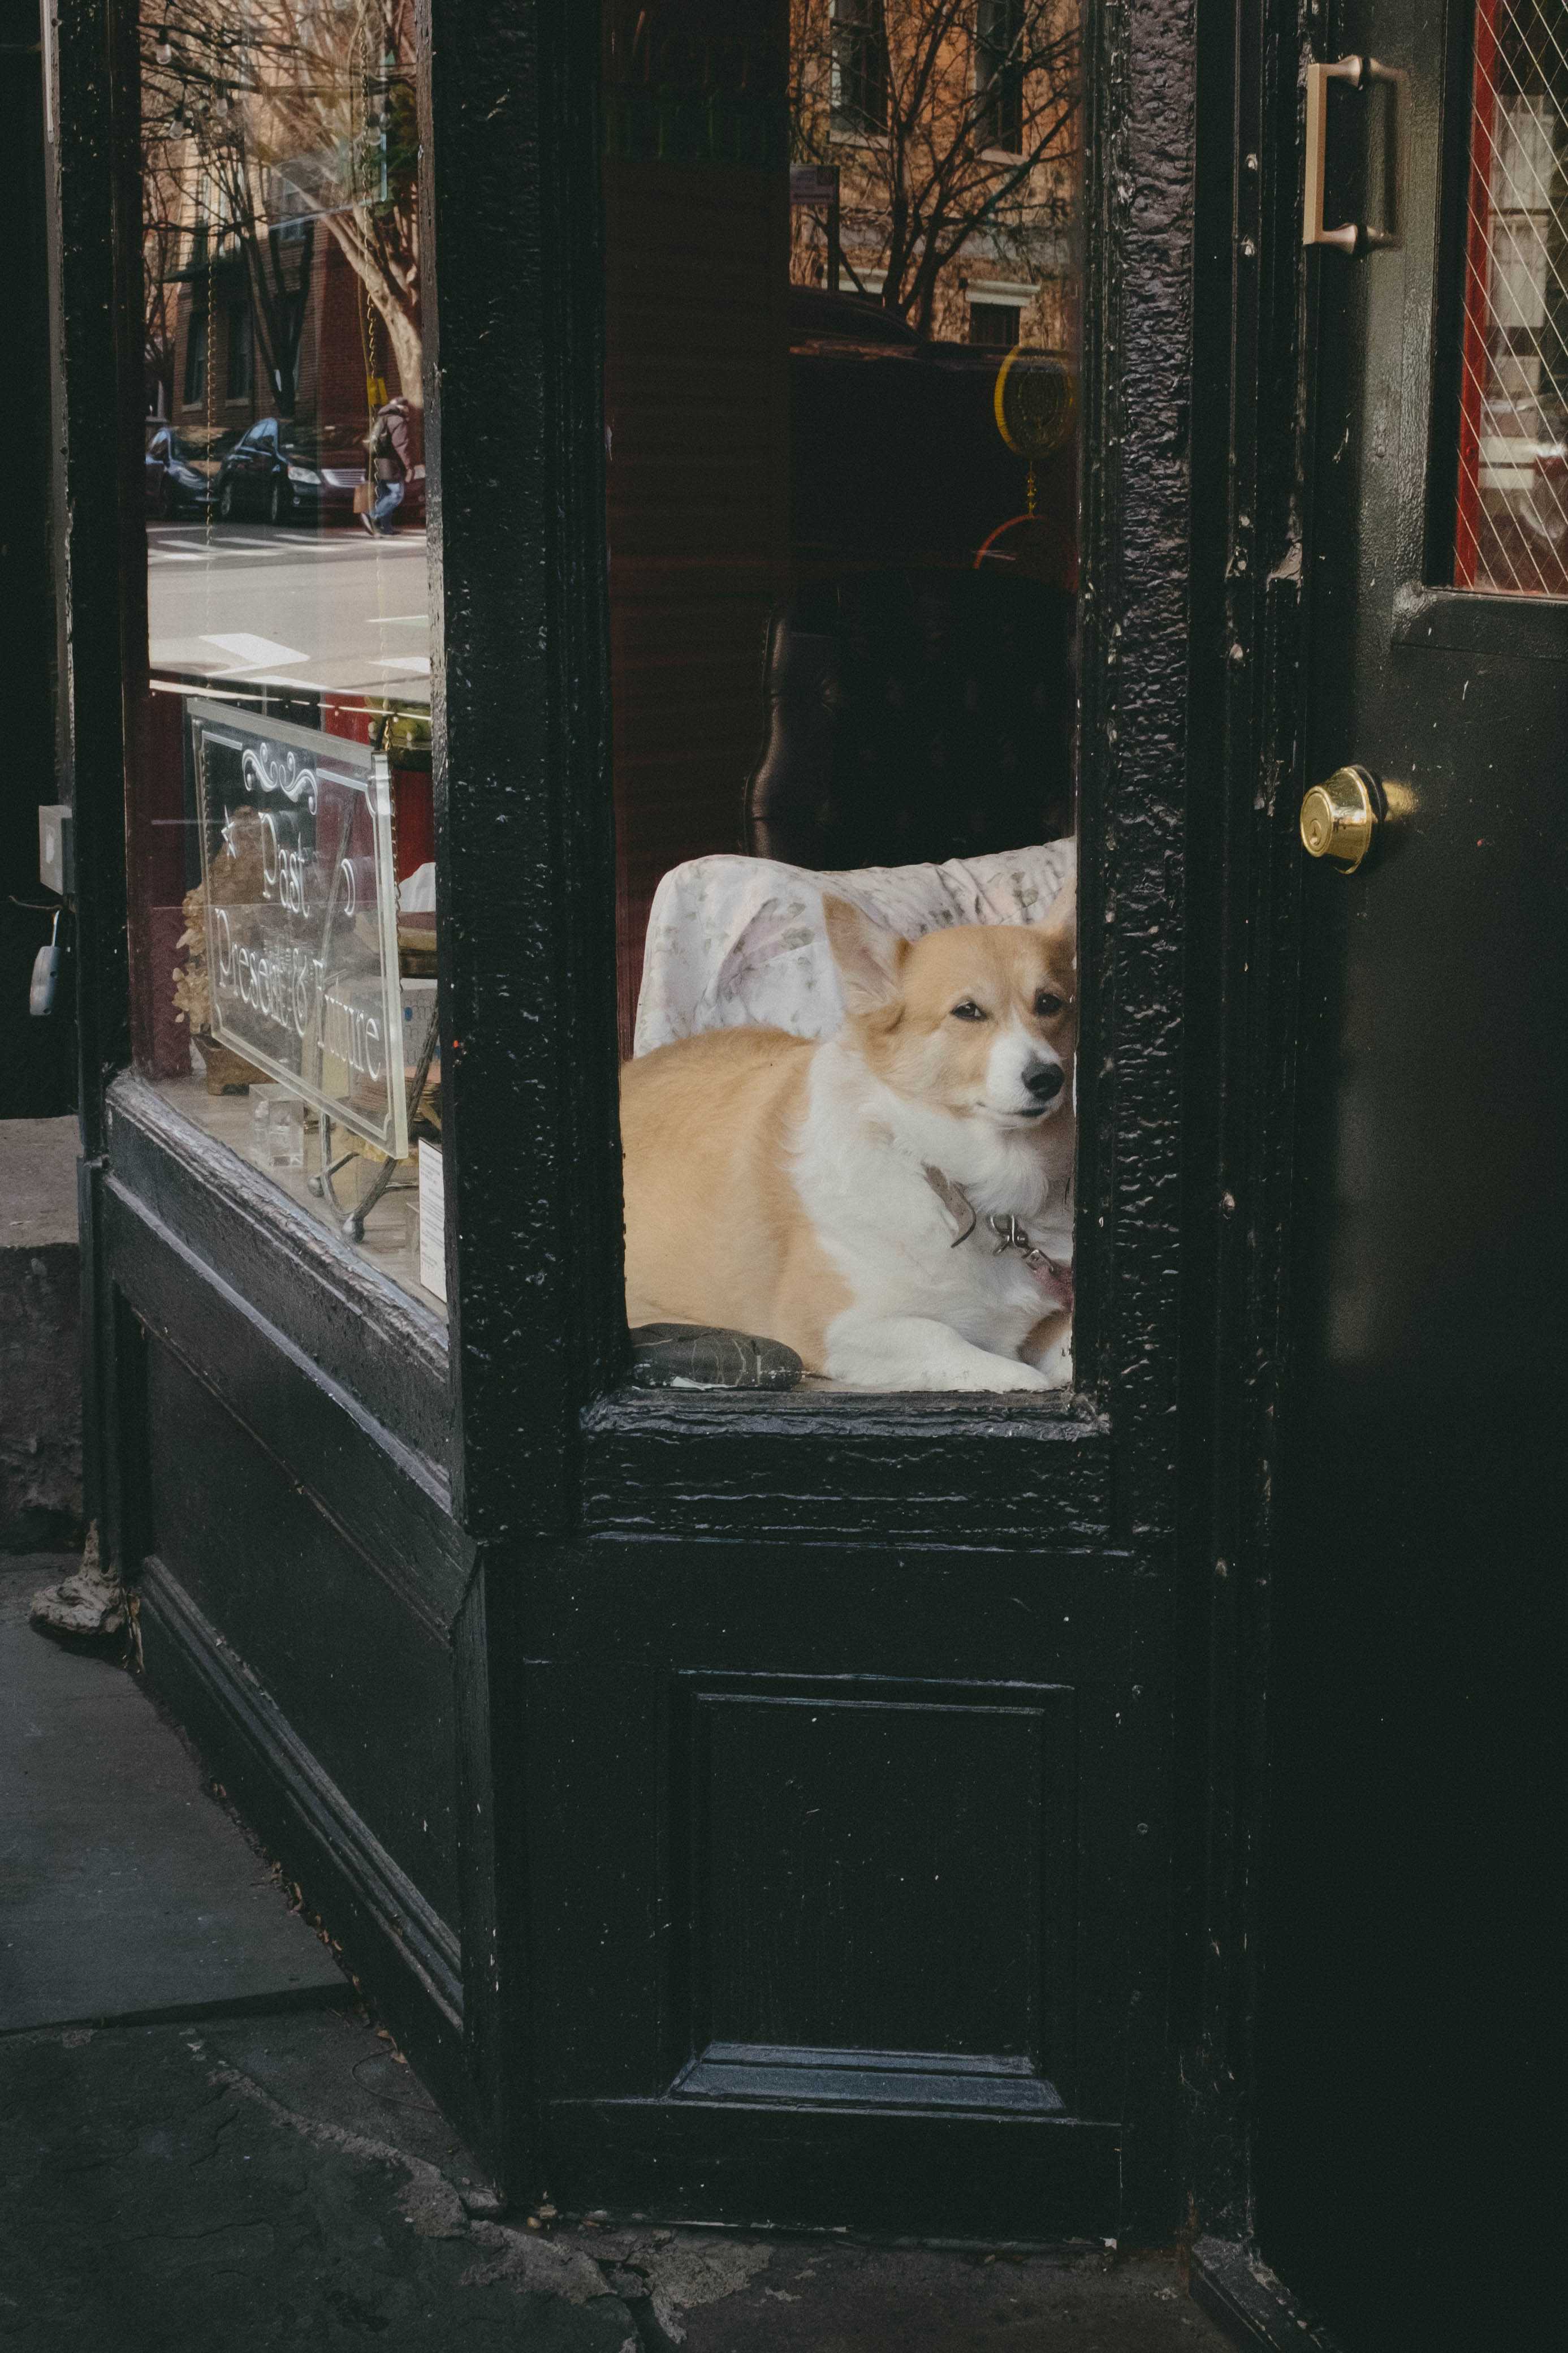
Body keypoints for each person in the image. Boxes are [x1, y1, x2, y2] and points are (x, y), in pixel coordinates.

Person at [364, 394, 416, 535]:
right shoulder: (398, 421)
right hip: (391, 465)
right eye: (407, 408)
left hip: (377, 465)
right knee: (396, 495)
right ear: (402, 408)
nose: (408, 411)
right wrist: (409, 467)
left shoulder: (380, 418)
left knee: (385, 495)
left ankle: (386, 528)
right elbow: (401, 446)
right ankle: (371, 514)